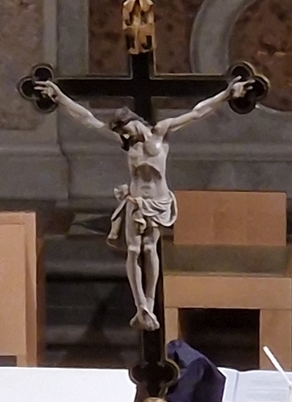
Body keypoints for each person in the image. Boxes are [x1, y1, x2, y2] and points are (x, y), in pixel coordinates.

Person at [36, 77, 251, 331]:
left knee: (150, 248)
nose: (125, 135)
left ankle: (150, 300)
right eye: (121, 133)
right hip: (136, 201)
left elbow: (197, 113)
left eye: (125, 129)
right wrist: (60, 97)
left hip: (157, 201)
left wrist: (226, 95)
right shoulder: (127, 143)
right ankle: (140, 306)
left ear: (134, 120)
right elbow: (88, 119)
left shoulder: (162, 131)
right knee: (133, 250)